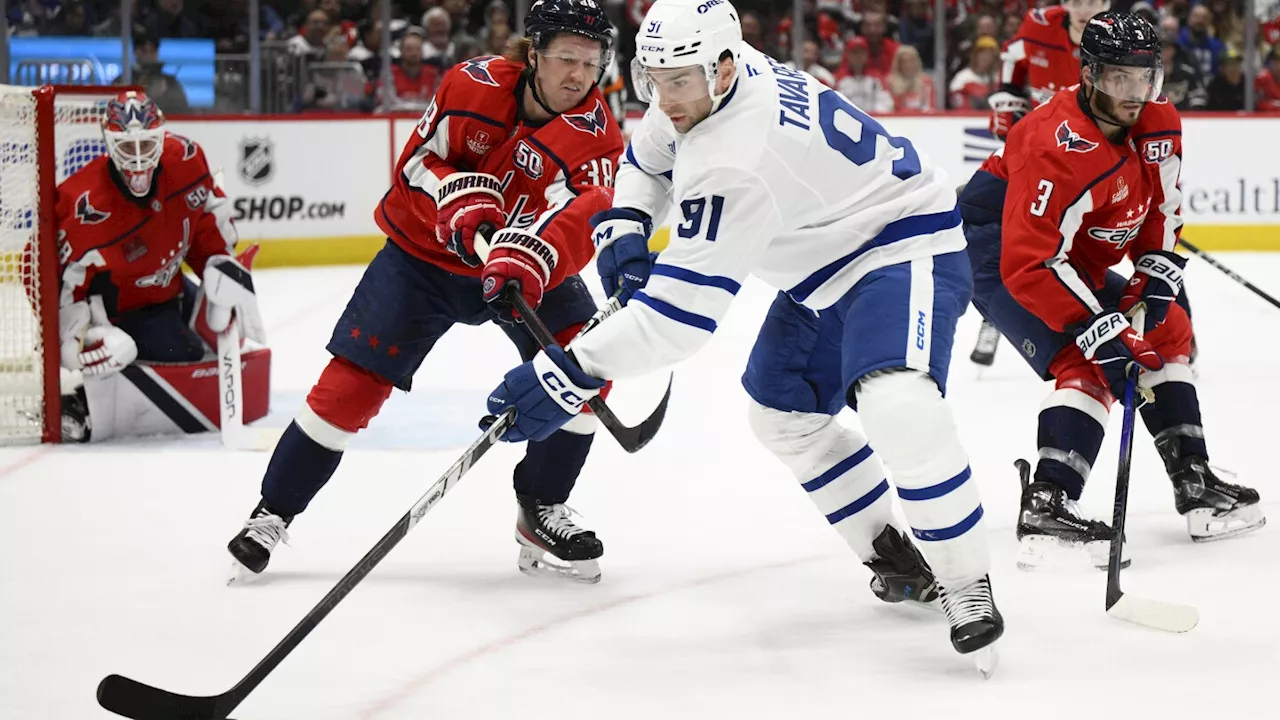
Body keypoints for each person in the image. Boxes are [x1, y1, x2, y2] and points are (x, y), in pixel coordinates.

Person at [485, 0, 1003, 673]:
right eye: (653, 79)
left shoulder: (737, 155)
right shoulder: (710, 76)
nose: (663, 99)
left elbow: (678, 323)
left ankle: (967, 584)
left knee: (898, 403)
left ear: (724, 68)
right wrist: (626, 226)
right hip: (825, 263)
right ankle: (890, 550)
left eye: (678, 83)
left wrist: (565, 370)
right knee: (783, 413)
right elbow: (649, 157)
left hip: (901, 246)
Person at [225, 0, 623, 586]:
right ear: (533, 53)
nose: (579, 77)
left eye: (591, 64)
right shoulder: (472, 85)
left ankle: (541, 507)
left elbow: (585, 214)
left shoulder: (598, 134)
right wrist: (455, 196)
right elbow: (416, 166)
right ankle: (273, 512)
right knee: (347, 391)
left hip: (521, 272)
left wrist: (533, 254)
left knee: (586, 372)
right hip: (422, 261)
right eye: (566, 58)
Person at [957, 13, 1264, 570]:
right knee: (1088, 359)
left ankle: (1193, 481)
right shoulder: (1050, 142)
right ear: (1092, 74)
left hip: (1073, 258)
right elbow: (1029, 262)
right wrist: (1100, 327)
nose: (1134, 93)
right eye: (1120, 78)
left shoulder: (1159, 123)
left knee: (1167, 330)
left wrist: (1155, 276)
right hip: (998, 255)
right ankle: (1049, 505)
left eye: (1144, 78)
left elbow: (1164, 212)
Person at [57, 91, 263, 443]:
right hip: (120, 312)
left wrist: (218, 263)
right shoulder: (83, 204)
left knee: (226, 326)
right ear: (108, 142)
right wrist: (77, 339)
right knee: (186, 356)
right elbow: (58, 281)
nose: (138, 161)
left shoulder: (187, 159)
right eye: (126, 148)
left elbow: (205, 222)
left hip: (171, 288)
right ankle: (85, 404)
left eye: (147, 145)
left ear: (162, 135)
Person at [971, 0, 1110, 366]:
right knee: (1018, 243)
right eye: (1078, 1)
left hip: (1090, 162)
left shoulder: (1113, 40)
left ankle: (1174, 327)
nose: (1085, 9)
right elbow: (1014, 55)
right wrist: (1009, 98)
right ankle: (995, 318)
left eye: (1095, 1)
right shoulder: (1039, 24)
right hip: (1036, 154)